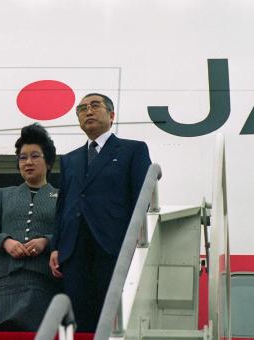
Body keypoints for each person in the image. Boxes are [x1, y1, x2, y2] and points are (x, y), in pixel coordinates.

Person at [49, 93, 151, 332]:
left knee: (111, 312)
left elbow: (141, 197)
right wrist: (56, 245)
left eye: (95, 106)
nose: (88, 112)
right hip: (74, 247)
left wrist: (134, 236)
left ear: (112, 115)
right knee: (79, 314)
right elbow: (63, 205)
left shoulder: (132, 150)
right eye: (82, 109)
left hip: (113, 243)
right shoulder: (70, 159)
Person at [0, 123, 60, 331]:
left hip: (41, 278)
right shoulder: (4, 194)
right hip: (4, 279)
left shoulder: (60, 197)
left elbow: (68, 234)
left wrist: (46, 241)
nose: (28, 162)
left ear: (48, 162)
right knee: (4, 330)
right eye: (23, 157)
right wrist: (6, 242)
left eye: (35, 156)